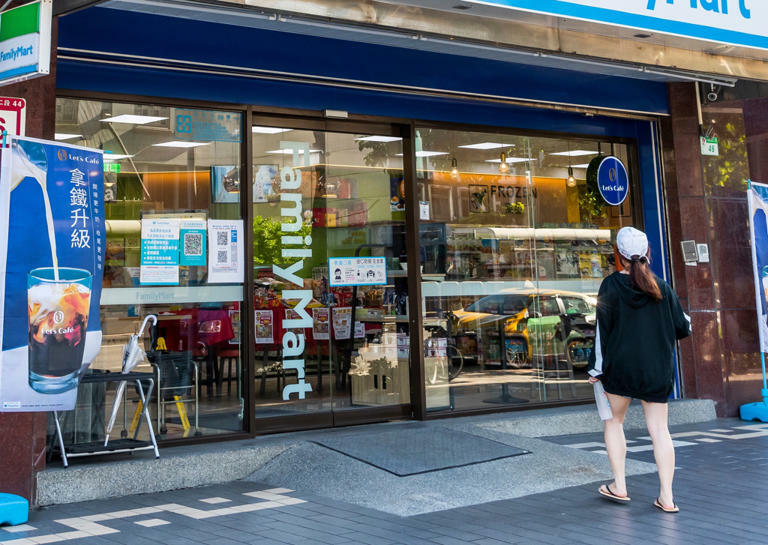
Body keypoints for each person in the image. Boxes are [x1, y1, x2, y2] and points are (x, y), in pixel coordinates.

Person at [587, 226, 691, 513]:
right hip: (657, 370)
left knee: (613, 422)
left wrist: (595, 369)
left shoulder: (609, 286)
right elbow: (684, 327)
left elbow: (601, 332)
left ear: (618, 256)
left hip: (619, 369)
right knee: (660, 431)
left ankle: (620, 486)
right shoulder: (662, 287)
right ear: (647, 253)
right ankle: (667, 498)